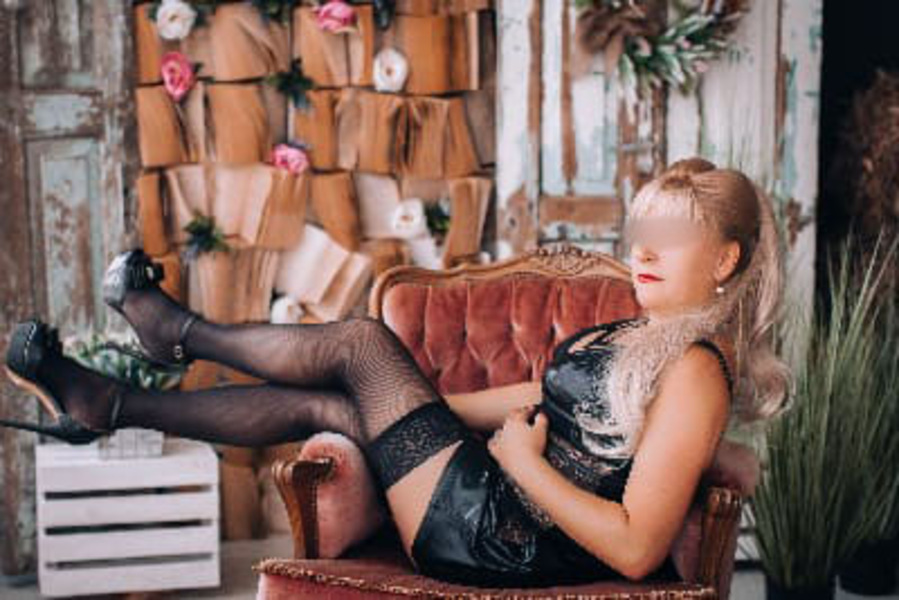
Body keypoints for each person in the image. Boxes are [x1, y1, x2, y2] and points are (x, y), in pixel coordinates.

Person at [1, 157, 789, 587]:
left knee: (359, 344)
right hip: (491, 486)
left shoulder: (695, 371)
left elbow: (636, 548)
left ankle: (175, 332)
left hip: (499, 536)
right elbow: (538, 396)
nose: (642, 251)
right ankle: (111, 403)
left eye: (670, 237)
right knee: (334, 401)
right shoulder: (639, 332)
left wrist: (519, 461)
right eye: (641, 230)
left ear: (724, 260)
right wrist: (417, 411)